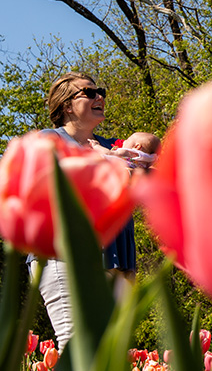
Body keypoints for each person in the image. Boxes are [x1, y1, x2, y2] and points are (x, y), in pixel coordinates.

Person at [32, 72, 151, 345]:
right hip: (67, 257)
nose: (100, 97)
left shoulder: (115, 146)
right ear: (66, 105)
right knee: (77, 348)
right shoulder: (49, 139)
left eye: (101, 92)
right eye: (89, 92)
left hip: (118, 261)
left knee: (111, 356)